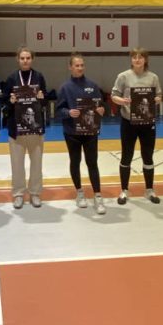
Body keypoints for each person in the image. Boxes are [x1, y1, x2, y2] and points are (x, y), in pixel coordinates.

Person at [56, 53, 106, 215]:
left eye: (82, 65)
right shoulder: (65, 88)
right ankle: (79, 192)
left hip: (90, 132)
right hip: (72, 132)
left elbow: (100, 106)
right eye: (76, 65)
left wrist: (101, 110)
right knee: (75, 161)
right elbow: (58, 111)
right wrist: (68, 113)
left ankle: (98, 195)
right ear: (70, 67)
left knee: (92, 163)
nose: (80, 68)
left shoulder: (93, 85)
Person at [111, 48, 163, 205]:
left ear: (145, 60)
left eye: (141, 57)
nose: (137, 60)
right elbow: (114, 96)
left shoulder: (153, 77)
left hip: (147, 122)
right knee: (126, 156)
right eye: (134, 57)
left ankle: (149, 189)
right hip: (129, 122)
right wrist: (123, 101)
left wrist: (157, 100)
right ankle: (124, 190)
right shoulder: (123, 76)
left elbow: (159, 96)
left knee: (148, 156)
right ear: (131, 60)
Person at [2, 47, 48, 209]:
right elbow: (4, 104)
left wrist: (42, 98)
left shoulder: (39, 77)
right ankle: (18, 194)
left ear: (32, 59)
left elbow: (44, 101)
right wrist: (10, 101)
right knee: (17, 164)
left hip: (35, 128)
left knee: (36, 163)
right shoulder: (12, 78)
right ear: (18, 59)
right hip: (17, 129)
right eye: (22, 58)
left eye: (28, 58)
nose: (25, 60)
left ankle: (35, 193)